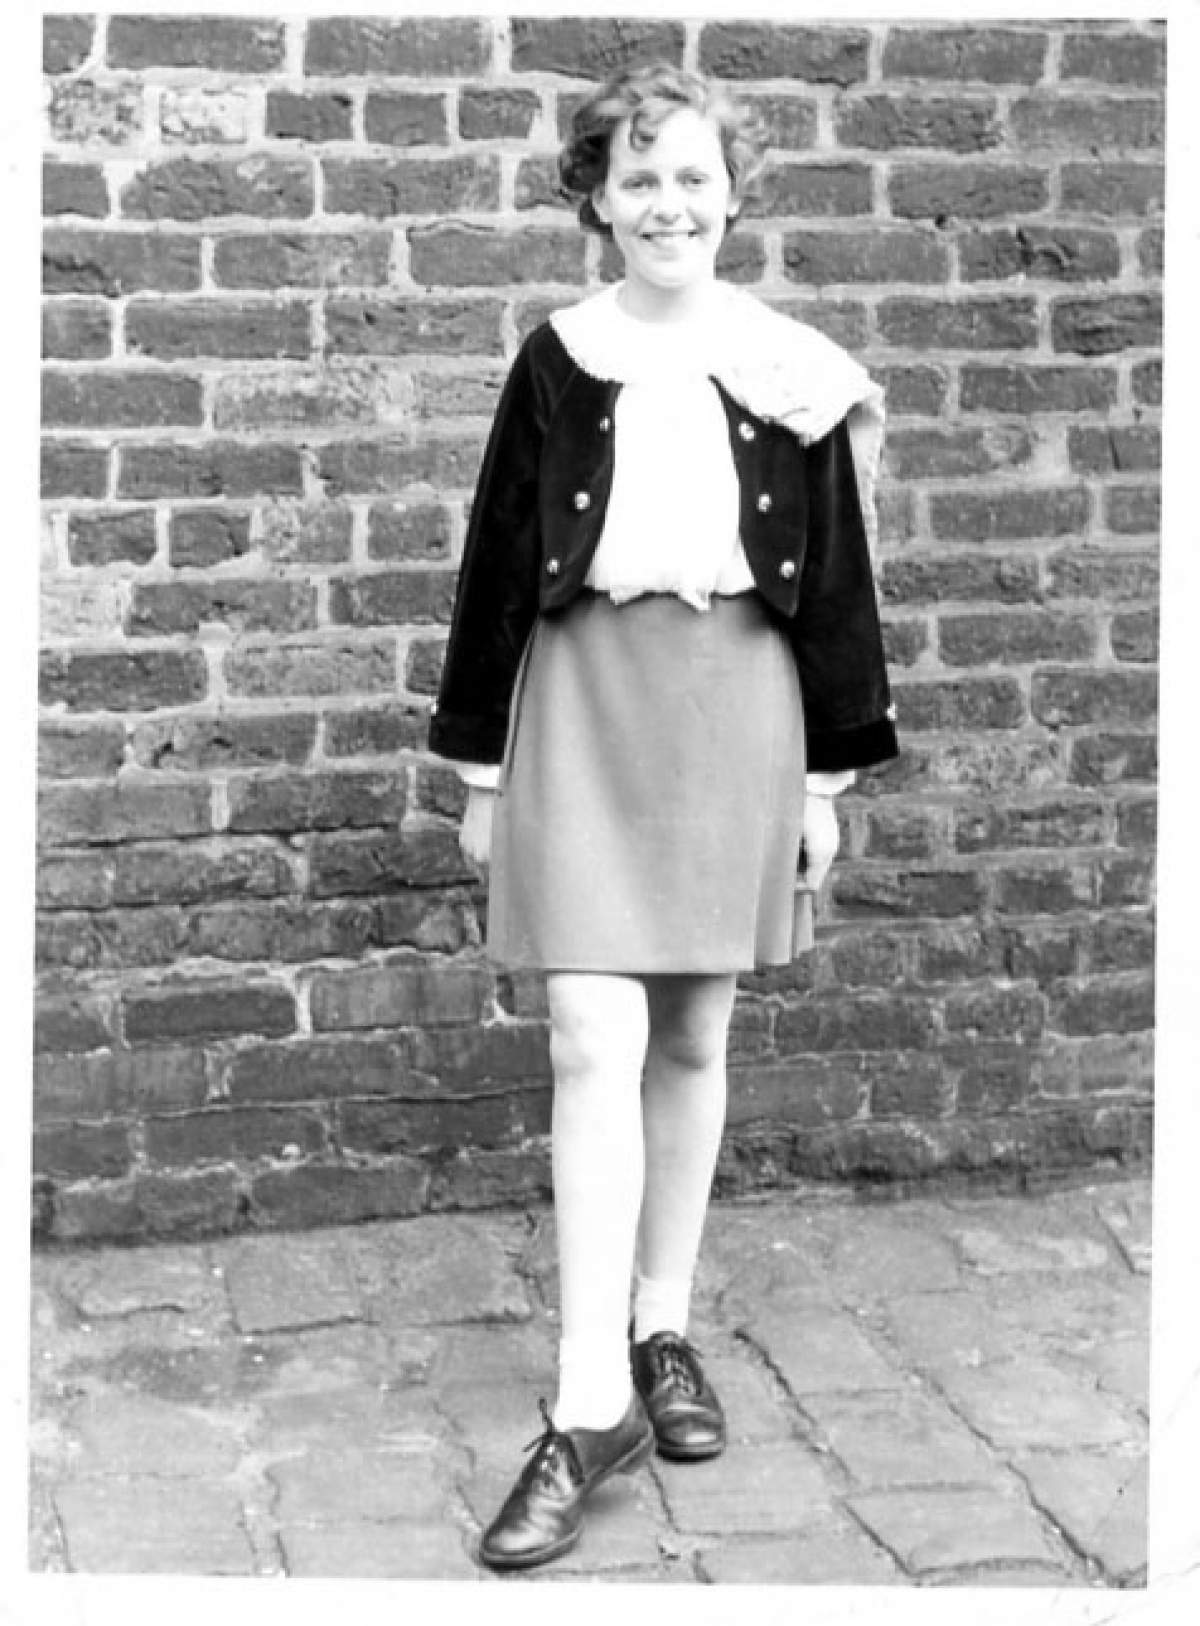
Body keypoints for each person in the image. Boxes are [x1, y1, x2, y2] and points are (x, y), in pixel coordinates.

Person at [428, 60, 898, 1572]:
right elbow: (498, 561)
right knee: (590, 1032)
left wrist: (825, 781)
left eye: (694, 177)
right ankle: (587, 1400)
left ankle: (661, 1324)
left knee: (693, 1031)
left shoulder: (788, 366)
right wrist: (482, 775)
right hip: (582, 701)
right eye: (639, 179)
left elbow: (835, 578)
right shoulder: (558, 359)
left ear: (734, 195)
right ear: (597, 201)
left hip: (736, 709)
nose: (669, 204)